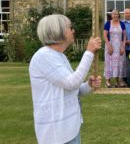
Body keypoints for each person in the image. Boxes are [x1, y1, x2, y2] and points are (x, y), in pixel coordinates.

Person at [29, 14, 102, 144]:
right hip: (56, 134)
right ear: (58, 31)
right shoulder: (44, 56)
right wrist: (89, 52)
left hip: (69, 129)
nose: (73, 30)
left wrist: (89, 85)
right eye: (70, 27)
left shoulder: (59, 56)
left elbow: (74, 89)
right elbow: (71, 83)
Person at [104, 9, 127, 88]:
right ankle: (107, 81)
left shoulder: (122, 24)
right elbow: (105, 35)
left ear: (119, 15)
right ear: (111, 15)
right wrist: (109, 46)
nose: (115, 15)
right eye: (113, 14)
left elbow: (124, 36)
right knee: (109, 63)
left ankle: (118, 81)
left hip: (119, 47)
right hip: (110, 46)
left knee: (119, 63)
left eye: (117, 14)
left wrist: (123, 47)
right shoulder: (108, 23)